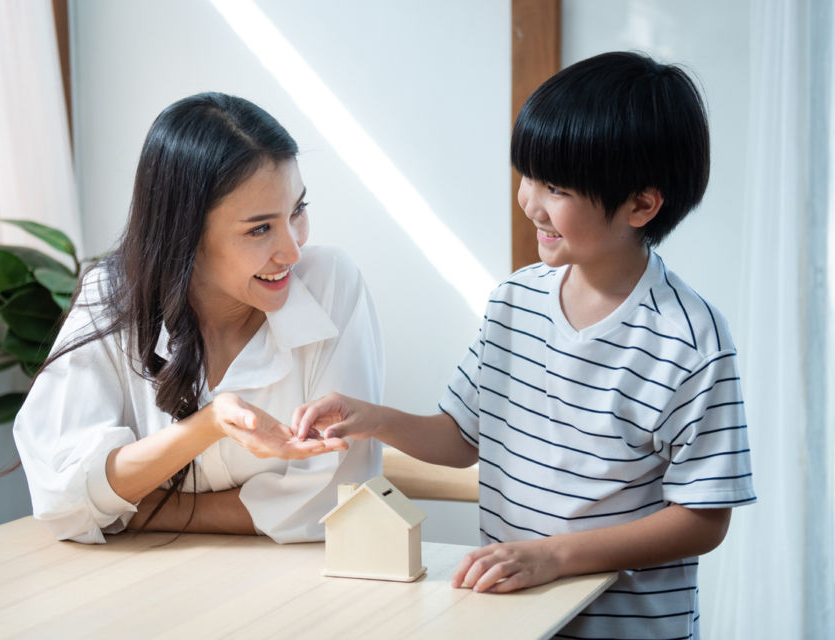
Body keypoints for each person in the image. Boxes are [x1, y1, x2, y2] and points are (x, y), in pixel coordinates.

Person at [292, 52, 755, 639]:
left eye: (555, 187)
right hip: (514, 621)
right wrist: (371, 418)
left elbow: (703, 518)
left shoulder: (691, 341)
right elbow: (461, 439)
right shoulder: (514, 301)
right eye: (528, 175)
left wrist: (554, 556)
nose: (529, 200)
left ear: (641, 204)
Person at [13, 92, 384, 545]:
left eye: (298, 211)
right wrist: (206, 427)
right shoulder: (111, 295)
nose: (293, 249)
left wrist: (137, 509)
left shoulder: (331, 284)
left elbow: (336, 502)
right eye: (260, 228)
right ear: (185, 234)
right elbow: (61, 497)